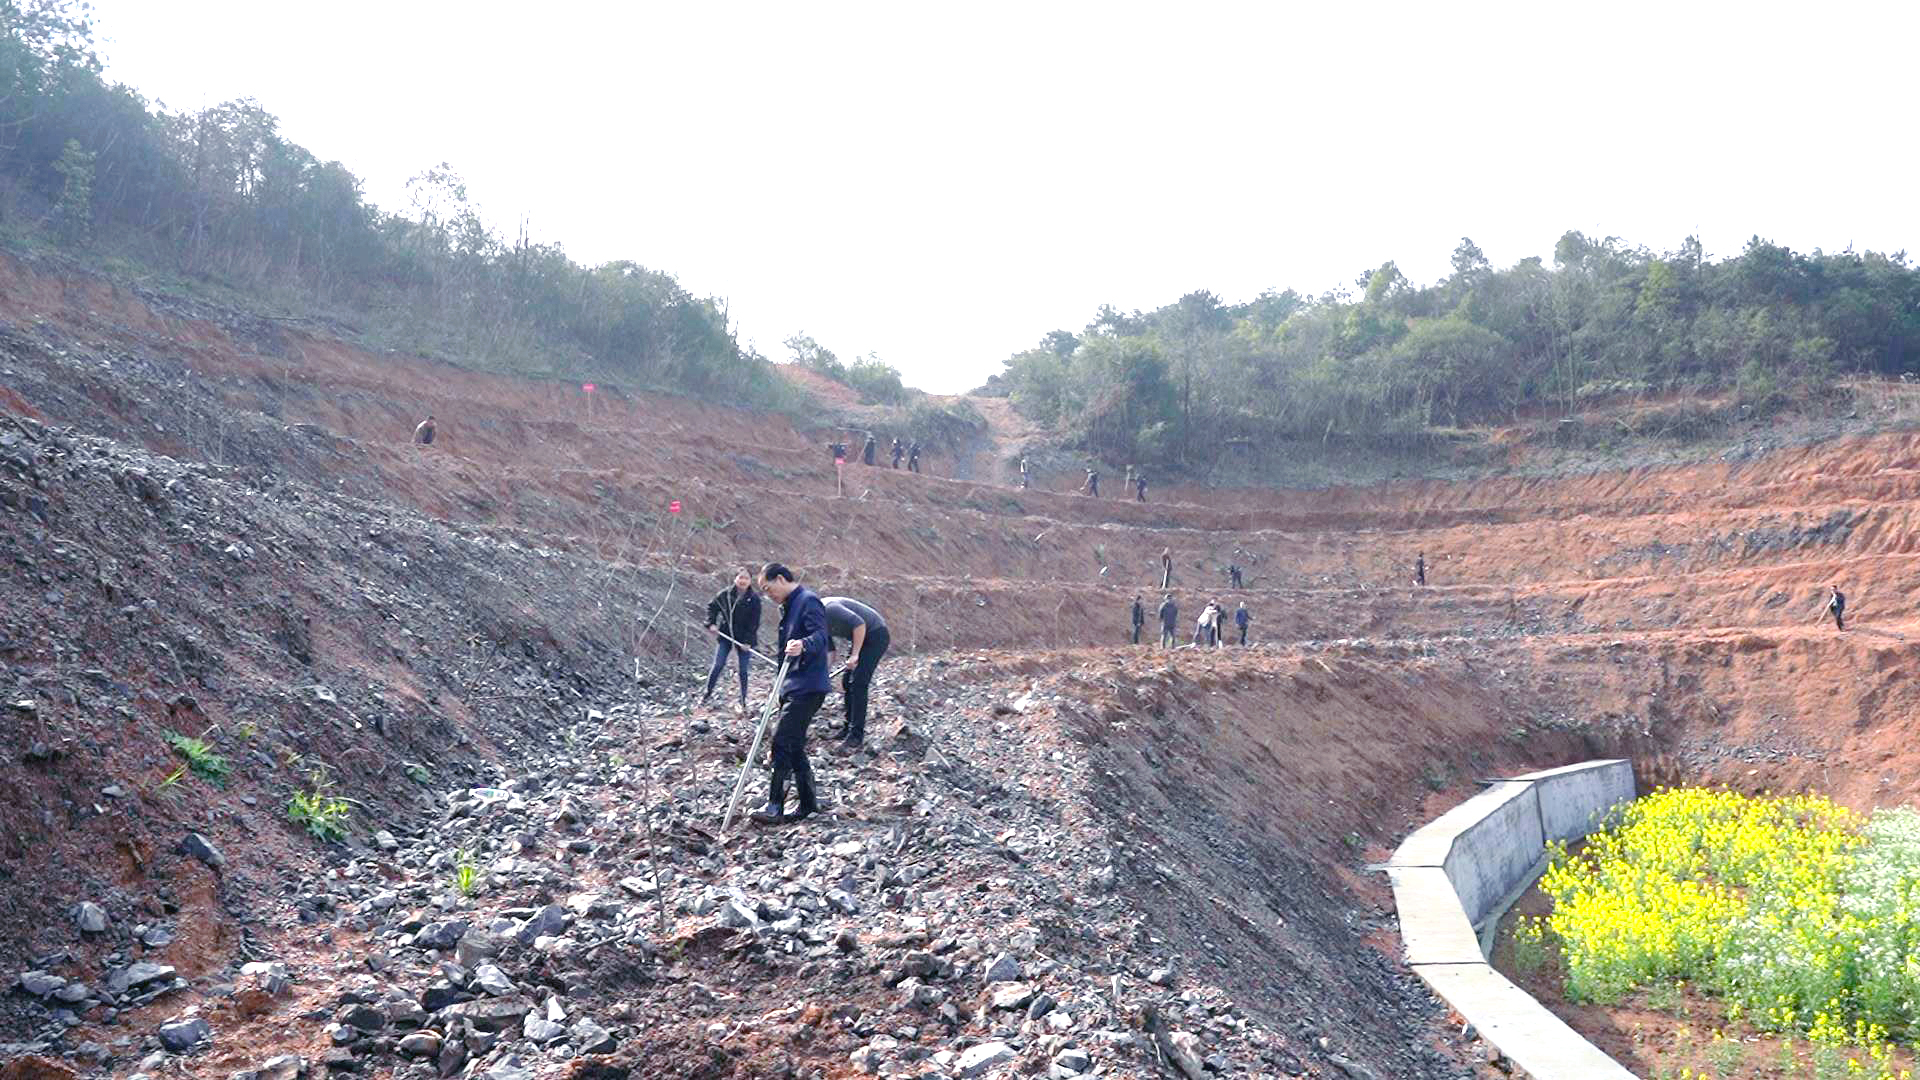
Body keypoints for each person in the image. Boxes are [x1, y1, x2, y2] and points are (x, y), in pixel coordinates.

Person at [751, 564, 830, 825]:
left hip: (808, 686)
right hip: (793, 685)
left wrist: (803, 644)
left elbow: (821, 636)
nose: (767, 594)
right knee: (794, 745)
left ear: (782, 579)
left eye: (767, 588)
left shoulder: (808, 601)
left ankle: (775, 805)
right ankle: (808, 804)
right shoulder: (789, 605)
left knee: (782, 741)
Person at [822, 596, 889, 749]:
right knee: (847, 681)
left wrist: (855, 655)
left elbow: (859, 624)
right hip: (860, 639)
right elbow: (830, 652)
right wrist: (823, 674)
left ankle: (856, 735)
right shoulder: (814, 623)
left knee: (858, 683)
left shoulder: (829, 608)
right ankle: (847, 727)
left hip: (876, 635)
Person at [702, 569, 762, 712]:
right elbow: (712, 607)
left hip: (744, 640)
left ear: (750, 581)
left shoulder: (754, 599)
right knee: (718, 664)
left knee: (743, 670)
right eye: (740, 577)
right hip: (726, 635)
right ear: (735, 579)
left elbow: (754, 623)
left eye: (746, 578)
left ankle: (742, 700)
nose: (742, 581)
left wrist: (747, 641)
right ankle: (707, 694)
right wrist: (711, 623)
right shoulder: (726, 595)